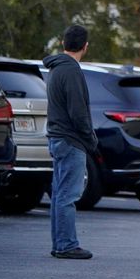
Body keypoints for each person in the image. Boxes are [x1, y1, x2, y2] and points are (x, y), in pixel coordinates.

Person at [43, 25, 99, 260]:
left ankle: (60, 243)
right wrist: (90, 139)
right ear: (85, 46)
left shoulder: (55, 69)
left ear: (64, 43)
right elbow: (78, 113)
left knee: (59, 194)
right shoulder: (72, 71)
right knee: (68, 195)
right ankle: (66, 245)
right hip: (70, 139)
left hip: (57, 137)